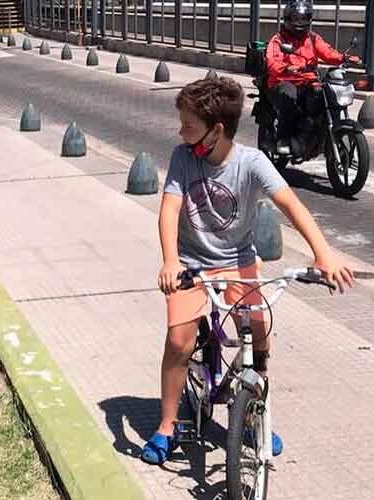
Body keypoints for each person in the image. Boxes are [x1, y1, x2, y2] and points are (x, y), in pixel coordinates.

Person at [140, 77, 355, 465]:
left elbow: (292, 206)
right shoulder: (181, 157)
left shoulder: (252, 164)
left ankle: (257, 413)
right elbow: (170, 209)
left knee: (259, 331)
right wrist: (170, 260)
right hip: (190, 261)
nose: (181, 131)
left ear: (216, 130)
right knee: (178, 341)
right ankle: (168, 424)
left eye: (189, 125)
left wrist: (323, 254)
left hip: (237, 259)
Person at [265, 0, 361, 156]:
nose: (300, 22)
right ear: (288, 19)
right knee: (289, 96)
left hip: (307, 79)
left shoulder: (312, 38)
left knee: (322, 93)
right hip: (283, 80)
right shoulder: (278, 40)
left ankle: (313, 129)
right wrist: (286, 67)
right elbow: (272, 62)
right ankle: (283, 138)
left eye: (303, 18)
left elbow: (328, 53)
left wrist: (344, 58)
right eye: (296, 18)